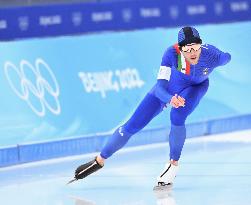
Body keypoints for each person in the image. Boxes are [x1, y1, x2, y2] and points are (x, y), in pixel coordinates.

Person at [72, 26, 231, 188]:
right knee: (131, 125)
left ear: (200, 45)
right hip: (167, 91)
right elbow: (160, 87)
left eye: (195, 47)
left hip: (195, 88)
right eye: (187, 49)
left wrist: (224, 58)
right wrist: (170, 98)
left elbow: (227, 57)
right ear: (180, 49)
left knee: (177, 116)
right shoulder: (171, 54)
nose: (192, 53)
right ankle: (99, 160)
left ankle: (172, 165)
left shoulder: (211, 54)